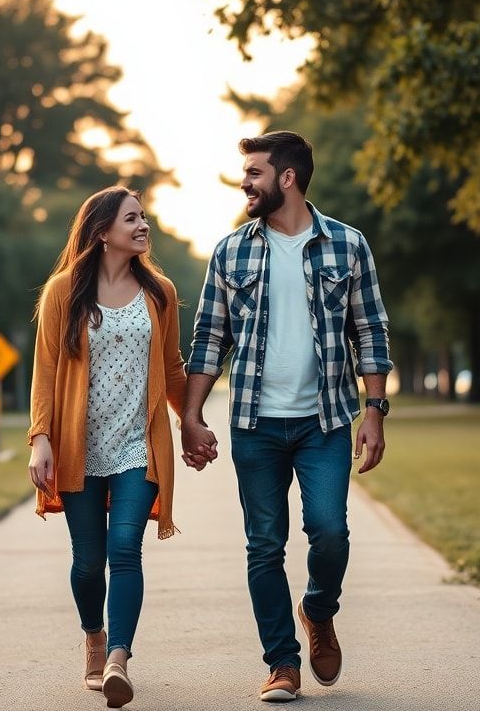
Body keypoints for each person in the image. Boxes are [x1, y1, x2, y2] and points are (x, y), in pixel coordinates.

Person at [181, 131, 392, 702]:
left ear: (288, 177)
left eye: (254, 172)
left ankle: (318, 611)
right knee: (264, 546)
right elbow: (209, 338)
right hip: (255, 423)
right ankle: (282, 663)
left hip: (324, 422)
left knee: (330, 532)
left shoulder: (348, 247)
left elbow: (371, 330)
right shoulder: (231, 251)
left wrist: (374, 411)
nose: (245, 183)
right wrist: (191, 415)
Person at [26, 186, 214, 708]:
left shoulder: (160, 292)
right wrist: (40, 438)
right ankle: (94, 637)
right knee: (88, 562)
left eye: (144, 217)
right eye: (132, 218)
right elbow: (44, 372)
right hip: (77, 446)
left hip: (137, 445)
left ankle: (118, 660)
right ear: (102, 229)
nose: (143, 226)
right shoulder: (64, 291)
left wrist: (191, 422)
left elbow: (173, 369)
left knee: (124, 549)